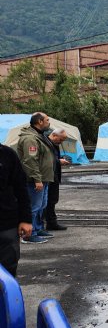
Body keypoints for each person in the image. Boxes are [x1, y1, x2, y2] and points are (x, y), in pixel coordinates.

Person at [15, 112, 55, 244]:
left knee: (41, 205)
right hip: (34, 180)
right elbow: (30, 161)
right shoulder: (30, 139)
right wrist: (37, 179)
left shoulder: (39, 136)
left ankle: (37, 229)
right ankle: (28, 235)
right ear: (39, 122)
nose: (49, 123)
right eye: (47, 120)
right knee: (33, 206)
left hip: (43, 178)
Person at [0, 144, 33, 276]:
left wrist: (26, 219)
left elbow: (21, 189)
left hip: (6, 226)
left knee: (7, 272)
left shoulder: (7, 154)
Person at [45, 128, 69, 231]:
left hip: (54, 175)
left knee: (52, 200)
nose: (61, 142)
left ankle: (51, 222)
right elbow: (45, 158)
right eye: (61, 139)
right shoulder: (45, 143)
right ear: (54, 135)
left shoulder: (54, 144)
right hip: (47, 176)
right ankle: (44, 224)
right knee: (45, 201)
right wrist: (58, 161)